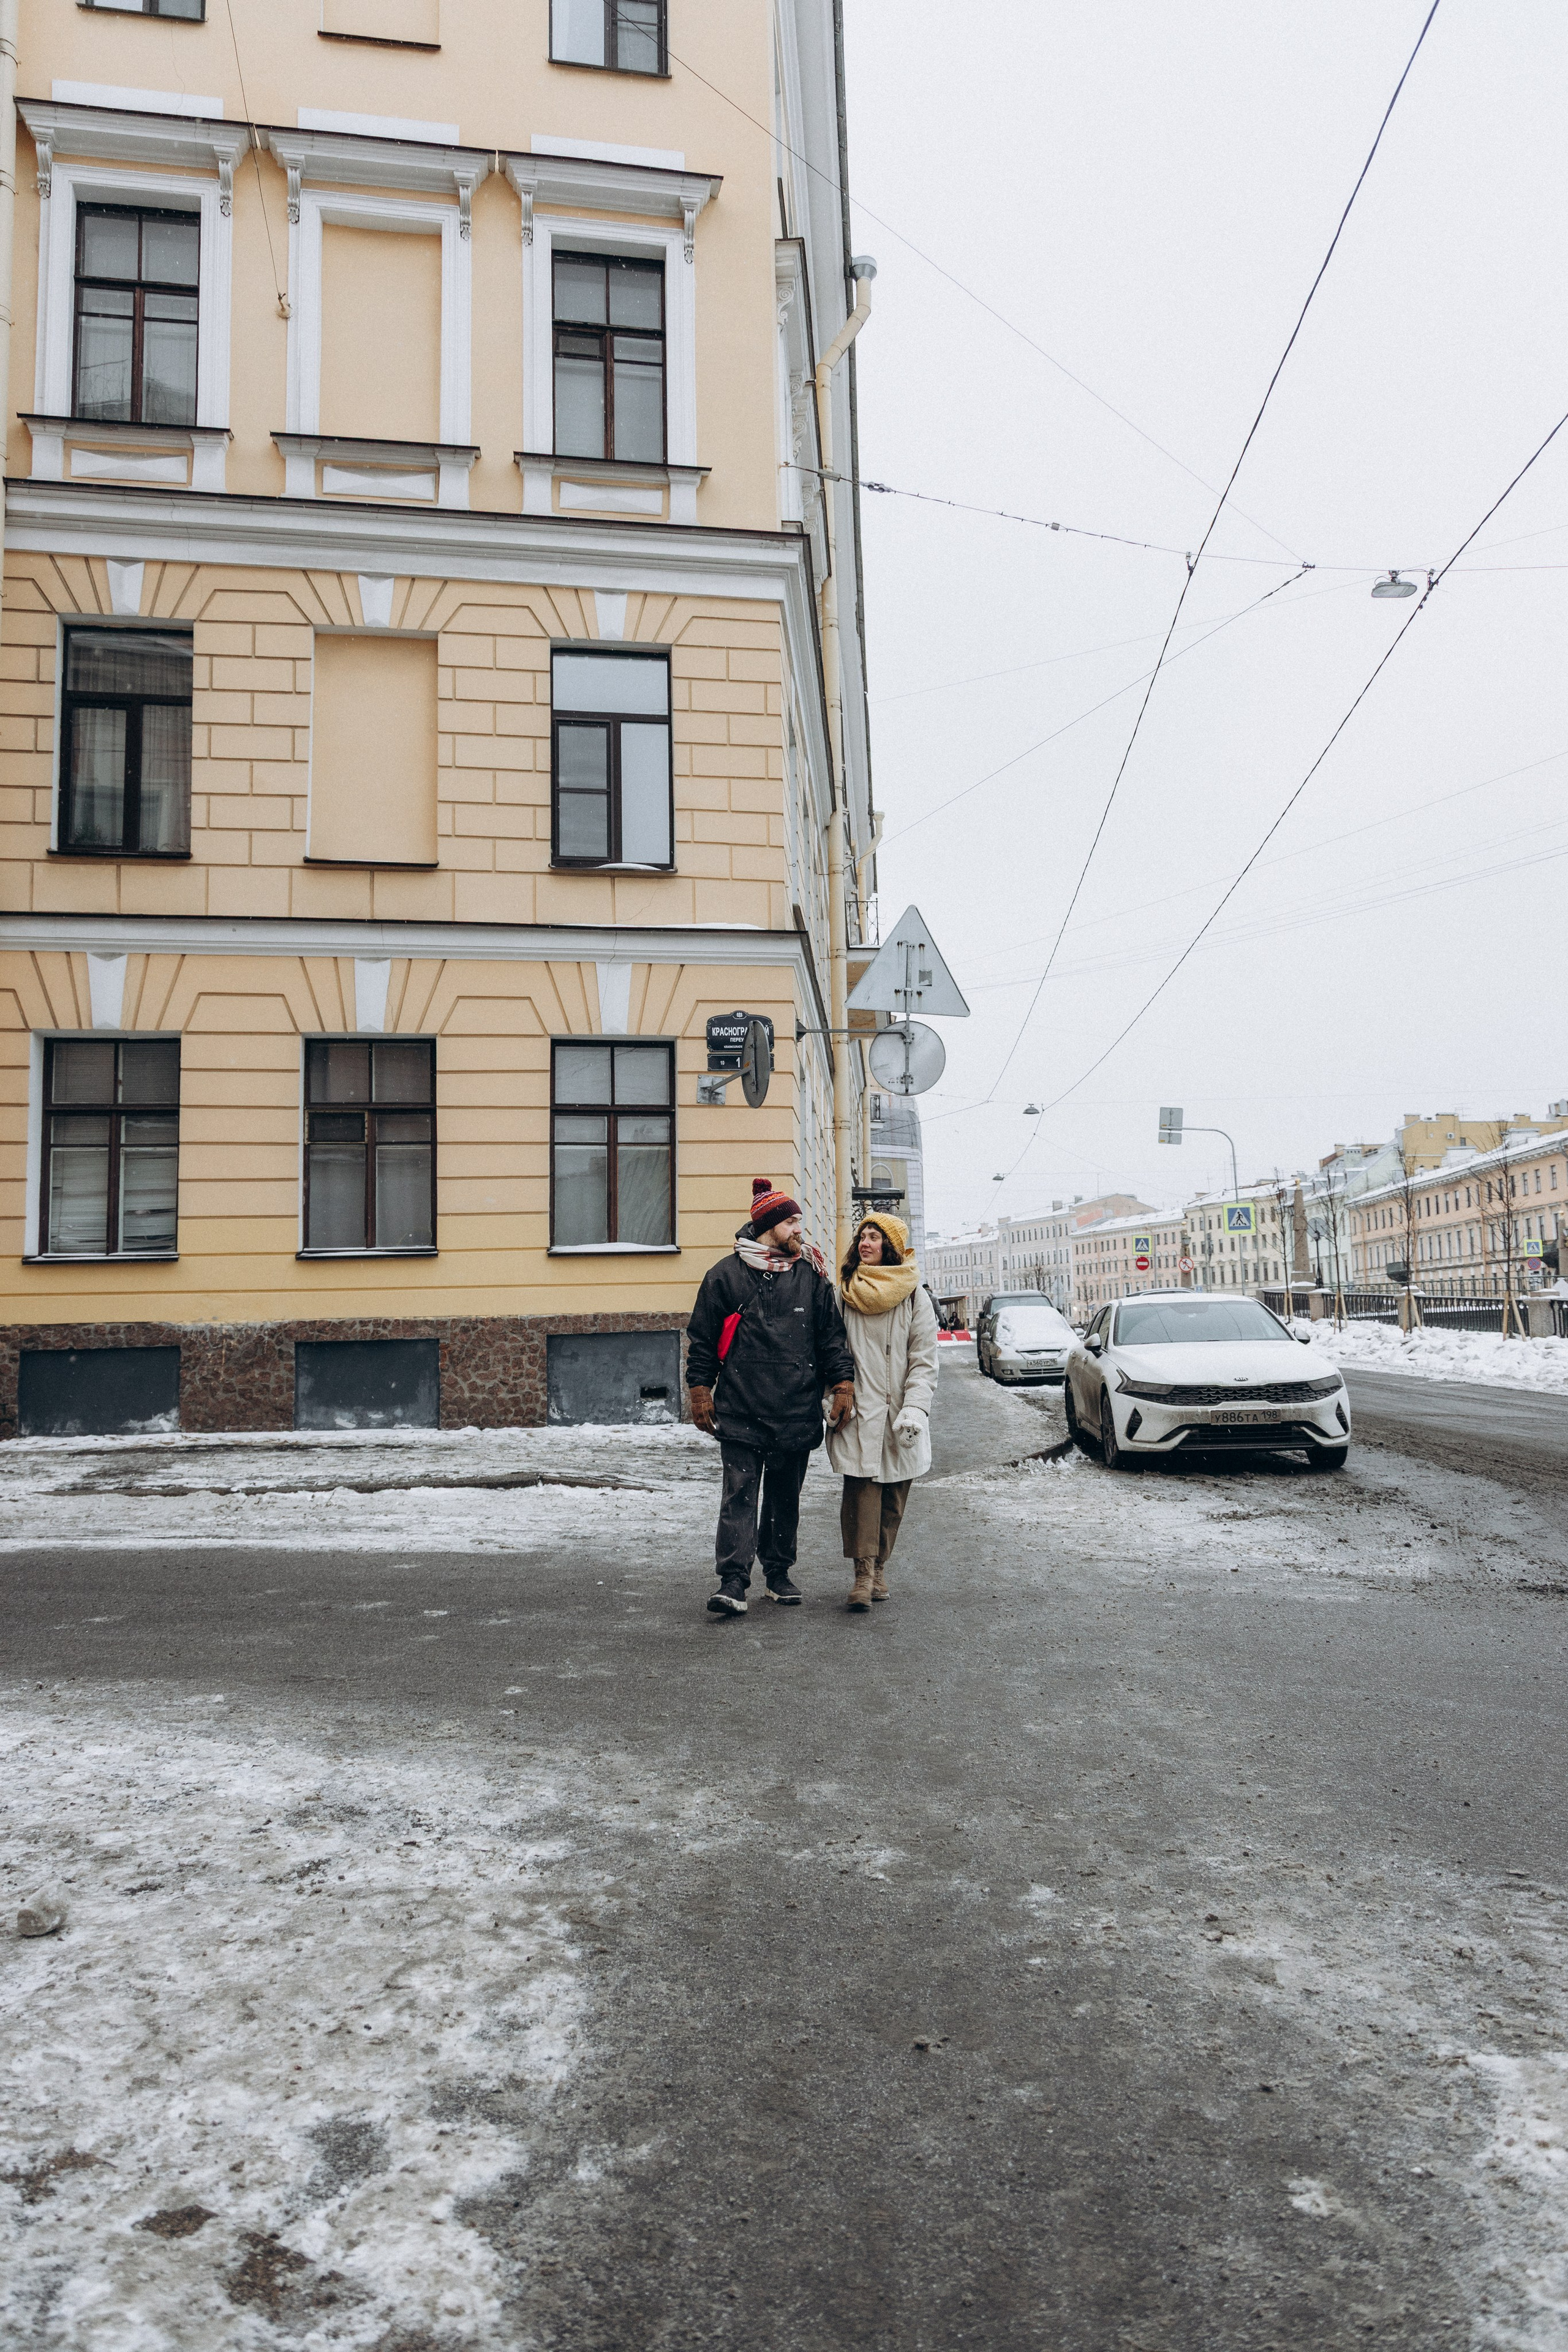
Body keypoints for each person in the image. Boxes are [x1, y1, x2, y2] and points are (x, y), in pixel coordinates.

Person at [685, 1178, 856, 1618]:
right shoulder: (724, 1275)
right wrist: (700, 1389)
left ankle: (778, 1573)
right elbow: (702, 1339)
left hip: (795, 1408)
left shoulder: (811, 1278)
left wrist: (842, 1386)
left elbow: (831, 1340)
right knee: (739, 1495)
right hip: (741, 1407)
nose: (800, 1228)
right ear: (770, 1225)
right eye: (793, 1221)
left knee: (785, 1497)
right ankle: (734, 1581)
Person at [828, 1211, 940, 1611]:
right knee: (862, 1494)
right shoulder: (845, 1291)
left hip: (899, 1410)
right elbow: (831, 1348)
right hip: (859, 1408)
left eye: (874, 1237)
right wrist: (835, 1393)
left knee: (894, 1495)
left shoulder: (913, 1295)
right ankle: (863, 1573)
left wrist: (915, 1409)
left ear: (890, 1247)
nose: (865, 1243)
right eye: (862, 1236)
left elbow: (924, 1358)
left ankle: (880, 1567)